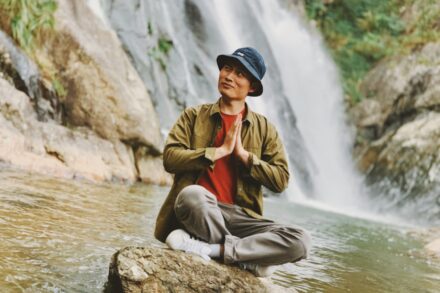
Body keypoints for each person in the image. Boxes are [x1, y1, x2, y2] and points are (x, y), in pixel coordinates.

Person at [154, 47, 311, 277]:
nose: (228, 76)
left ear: (253, 87)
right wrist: (218, 152)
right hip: (201, 210)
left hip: (241, 218)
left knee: (301, 240)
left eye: (240, 73)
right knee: (191, 195)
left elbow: (281, 180)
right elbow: (170, 159)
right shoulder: (194, 116)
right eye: (227, 68)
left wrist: (244, 157)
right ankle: (247, 258)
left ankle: (214, 250)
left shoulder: (265, 129)